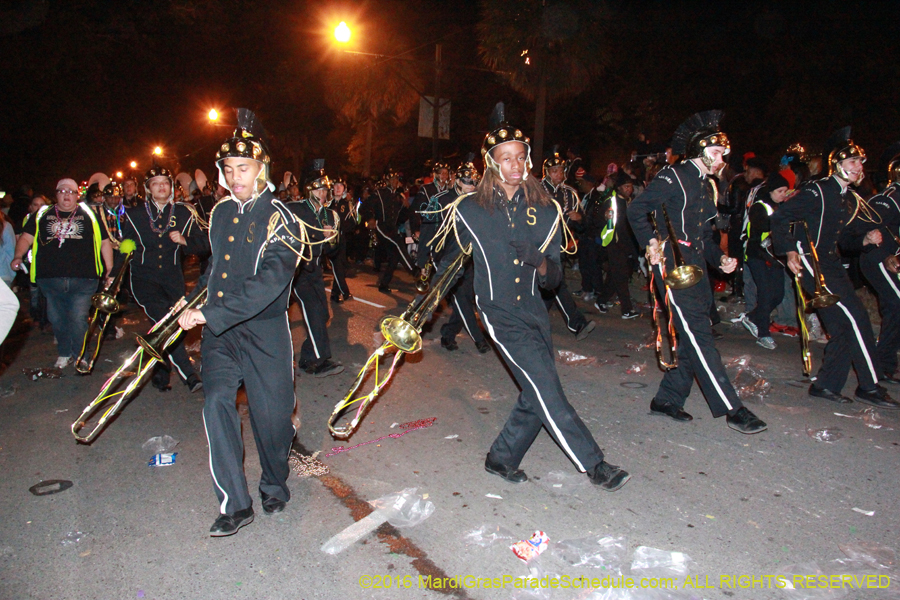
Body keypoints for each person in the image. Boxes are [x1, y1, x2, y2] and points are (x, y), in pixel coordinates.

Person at [434, 113, 630, 491]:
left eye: (520, 156)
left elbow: (555, 279)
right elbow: (449, 264)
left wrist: (539, 261)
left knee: (537, 389)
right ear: (491, 162)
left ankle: (502, 457)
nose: (514, 165)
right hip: (497, 311)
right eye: (505, 157)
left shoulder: (545, 209)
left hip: (534, 311)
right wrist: (424, 306)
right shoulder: (469, 209)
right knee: (546, 386)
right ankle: (595, 464)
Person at [177, 109, 307, 536]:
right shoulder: (218, 213)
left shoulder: (283, 218)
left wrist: (208, 312)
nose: (235, 177)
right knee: (216, 403)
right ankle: (234, 504)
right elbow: (218, 271)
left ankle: (274, 482)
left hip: (265, 333)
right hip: (221, 335)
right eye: (229, 169)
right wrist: (195, 299)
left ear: (261, 169)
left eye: (244, 168)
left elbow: (269, 283)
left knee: (271, 422)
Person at [626, 110, 768, 433]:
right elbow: (636, 209)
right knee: (699, 337)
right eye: (717, 153)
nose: (722, 159)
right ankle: (732, 409)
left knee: (693, 333)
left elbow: (705, 237)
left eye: (724, 154)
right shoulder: (672, 176)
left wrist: (721, 260)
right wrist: (650, 241)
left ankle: (668, 399)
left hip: (697, 266)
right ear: (700, 150)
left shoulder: (709, 187)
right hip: (672, 265)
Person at [771, 127, 898, 409]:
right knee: (858, 318)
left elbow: (845, 240)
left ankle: (827, 384)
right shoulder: (818, 190)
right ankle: (870, 385)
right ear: (837, 165)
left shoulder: (847, 198)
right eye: (852, 162)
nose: (858, 167)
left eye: (861, 162)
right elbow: (780, 218)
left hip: (830, 262)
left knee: (841, 325)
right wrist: (789, 249)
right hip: (809, 259)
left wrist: (864, 239)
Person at [120, 166, 207, 392]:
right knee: (163, 321)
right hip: (144, 279)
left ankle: (160, 371)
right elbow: (126, 247)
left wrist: (185, 240)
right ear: (148, 189)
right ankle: (189, 375)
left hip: (172, 280)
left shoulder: (184, 212)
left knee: (167, 326)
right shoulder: (133, 214)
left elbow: (204, 244)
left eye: (165, 182)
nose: (161, 186)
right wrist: (114, 275)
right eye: (156, 183)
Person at [11, 178, 114, 368]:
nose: (67, 195)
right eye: (62, 191)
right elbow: (26, 238)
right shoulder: (42, 214)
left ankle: (81, 354)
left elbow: (104, 242)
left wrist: (109, 270)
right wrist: (18, 256)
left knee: (78, 317)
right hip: (50, 279)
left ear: (77, 195)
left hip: (84, 278)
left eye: (71, 192)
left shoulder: (89, 214)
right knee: (56, 318)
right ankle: (65, 352)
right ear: (56, 194)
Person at [287, 168, 344, 378]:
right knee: (312, 311)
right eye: (318, 189)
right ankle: (320, 360)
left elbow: (333, 250)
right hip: (298, 271)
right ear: (309, 190)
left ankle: (306, 357)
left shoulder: (330, 214)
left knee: (322, 314)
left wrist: (330, 239)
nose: (322, 193)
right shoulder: (295, 209)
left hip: (316, 271)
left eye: (324, 189)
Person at [430, 161, 490, 353]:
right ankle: (479, 339)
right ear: (458, 181)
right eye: (466, 182)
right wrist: (424, 259)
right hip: (445, 257)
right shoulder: (443, 199)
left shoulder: (477, 204)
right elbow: (428, 230)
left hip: (469, 258)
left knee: (463, 300)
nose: (470, 186)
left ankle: (448, 333)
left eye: (474, 182)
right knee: (461, 299)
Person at [540, 152, 596, 340]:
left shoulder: (570, 194)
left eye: (561, 170)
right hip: (540, 245)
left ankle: (535, 322)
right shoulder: (536, 191)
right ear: (547, 172)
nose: (558, 174)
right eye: (554, 171)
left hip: (561, 246)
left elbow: (582, 223)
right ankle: (577, 323)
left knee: (552, 285)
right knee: (555, 284)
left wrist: (580, 219)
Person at [740, 171, 792, 350]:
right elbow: (761, 226)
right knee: (766, 293)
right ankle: (763, 333)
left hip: (775, 256)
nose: (783, 195)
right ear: (770, 191)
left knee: (778, 294)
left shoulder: (781, 208)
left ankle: (753, 317)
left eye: (786, 191)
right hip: (757, 255)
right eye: (780, 191)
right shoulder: (759, 207)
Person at [865, 142, 900, 383]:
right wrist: (886, 253)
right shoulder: (889, 197)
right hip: (878, 257)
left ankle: (885, 363)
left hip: (892, 259)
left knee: (893, 308)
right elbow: (870, 224)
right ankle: (879, 364)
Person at [593, 173, 640, 319]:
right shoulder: (611, 201)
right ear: (619, 187)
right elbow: (600, 222)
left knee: (615, 276)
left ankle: (601, 300)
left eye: (631, 186)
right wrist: (605, 218)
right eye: (626, 186)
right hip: (613, 244)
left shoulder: (628, 201)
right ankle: (626, 309)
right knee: (621, 276)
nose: (629, 189)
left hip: (625, 245)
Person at [326, 177, 354, 303]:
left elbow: (353, 223)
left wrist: (341, 227)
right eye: (335, 185)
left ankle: (334, 294)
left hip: (341, 239)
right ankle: (345, 292)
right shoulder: (327, 205)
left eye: (340, 186)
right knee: (337, 265)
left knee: (341, 266)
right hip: (329, 240)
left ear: (344, 189)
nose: (337, 188)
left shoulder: (347, 204)